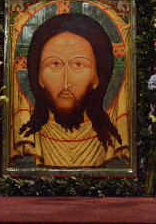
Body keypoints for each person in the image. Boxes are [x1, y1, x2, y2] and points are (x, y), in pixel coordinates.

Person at [14, 13, 129, 168]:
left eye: (78, 65)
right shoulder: (28, 142)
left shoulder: (111, 140)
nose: (66, 82)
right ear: (39, 76)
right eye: (55, 64)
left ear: (97, 76)